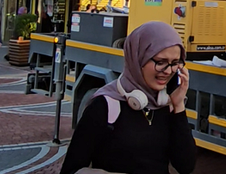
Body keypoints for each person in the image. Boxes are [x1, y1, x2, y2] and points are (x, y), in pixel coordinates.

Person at [60, 22, 196, 174]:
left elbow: (186, 166)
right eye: (161, 62)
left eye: (175, 63)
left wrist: (178, 107)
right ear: (138, 59)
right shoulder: (104, 106)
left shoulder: (165, 106)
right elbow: (70, 170)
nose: (168, 71)